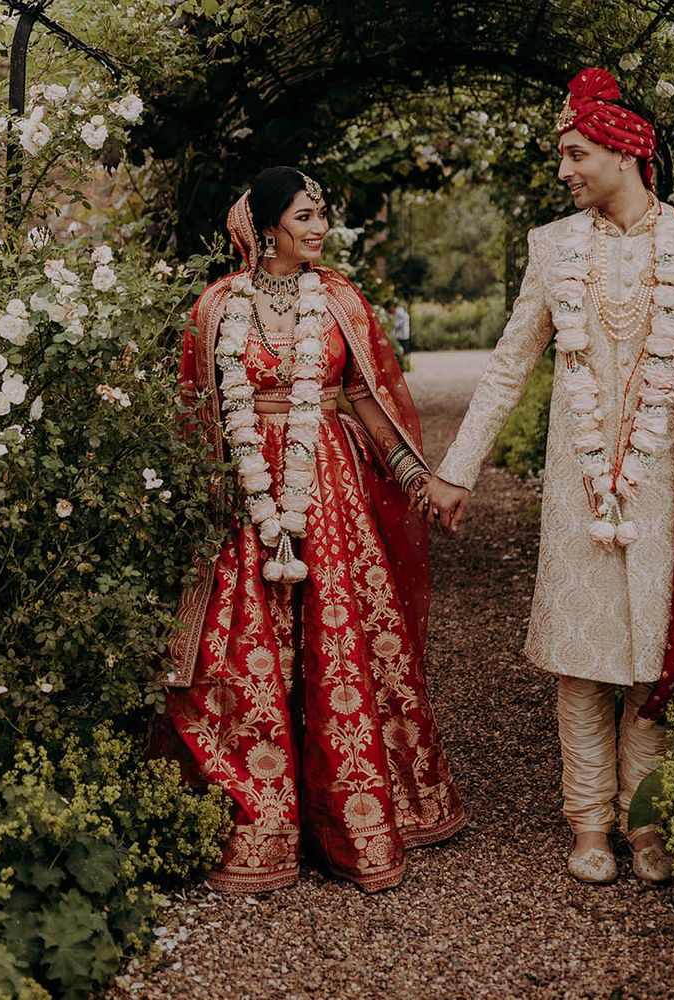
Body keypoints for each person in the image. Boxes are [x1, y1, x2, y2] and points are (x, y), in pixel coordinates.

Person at [419, 68, 674, 884]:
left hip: (673, 484)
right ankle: (589, 823)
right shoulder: (553, 246)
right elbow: (508, 366)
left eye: (575, 154)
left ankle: (647, 822)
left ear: (626, 152)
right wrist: (458, 470)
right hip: (582, 484)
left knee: (652, 662)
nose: (563, 170)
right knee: (581, 659)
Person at [158, 167, 464, 893]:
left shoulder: (342, 301)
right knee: (244, 652)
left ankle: (351, 822)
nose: (319, 228)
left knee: (338, 646)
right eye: (304, 216)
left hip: (327, 489)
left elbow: (366, 398)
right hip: (243, 496)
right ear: (265, 229)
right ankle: (259, 821)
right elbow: (194, 412)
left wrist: (418, 480)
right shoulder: (214, 308)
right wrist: (209, 502)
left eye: (322, 214)